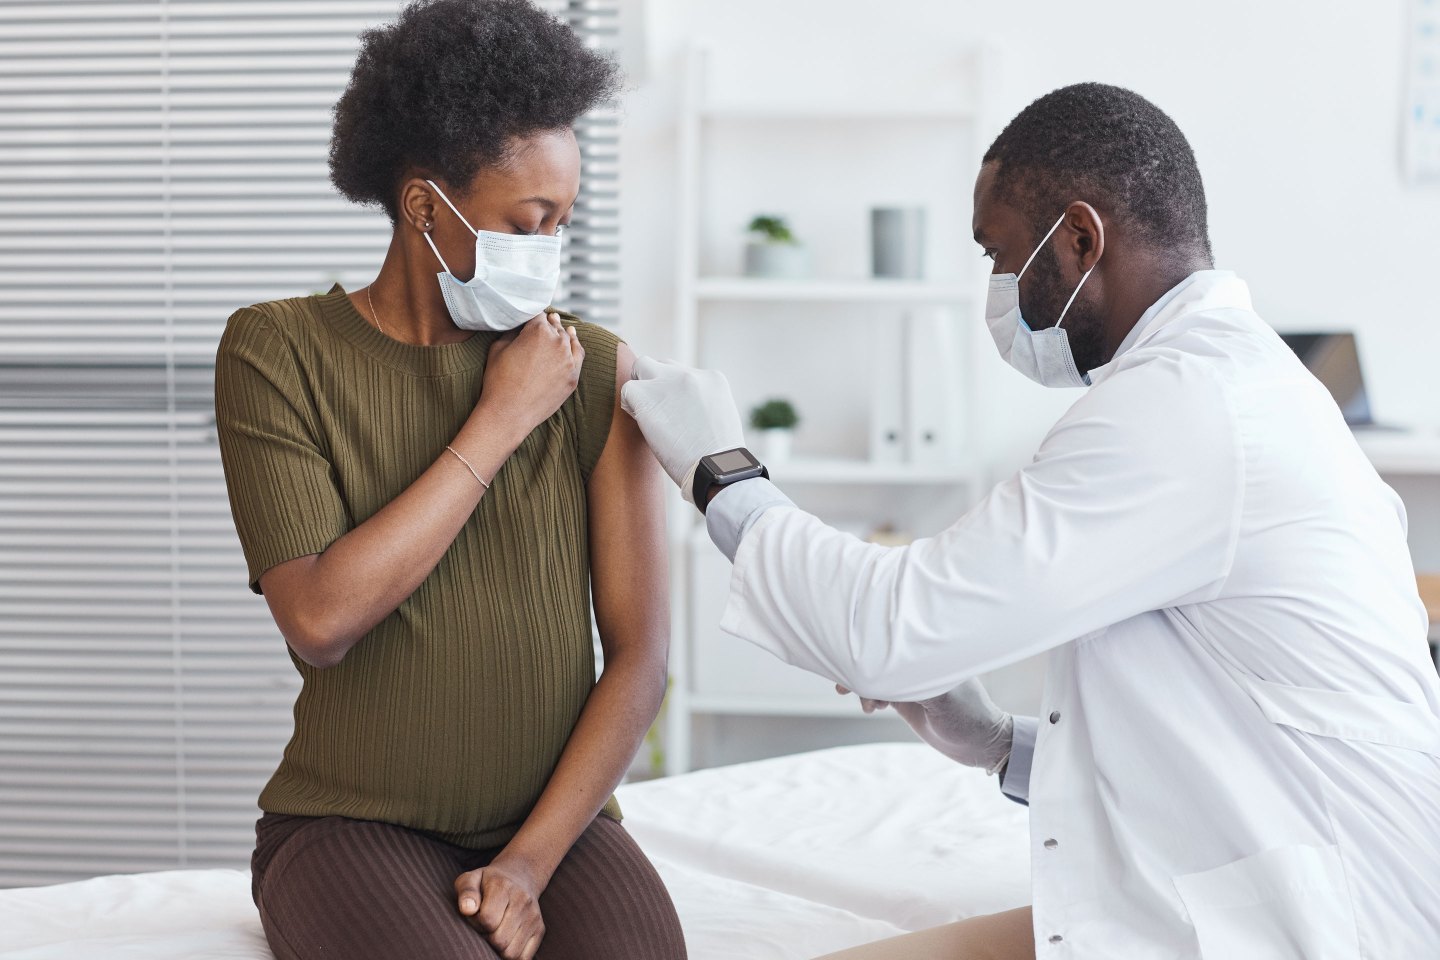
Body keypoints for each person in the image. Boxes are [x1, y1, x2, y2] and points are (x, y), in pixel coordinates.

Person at [622, 83, 1440, 959]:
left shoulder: (1183, 408)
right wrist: (994, 743)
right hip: (1271, 880)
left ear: (1082, 238)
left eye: (1001, 254)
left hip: (1319, 924)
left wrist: (722, 472)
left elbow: (887, 626)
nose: (998, 288)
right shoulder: (1235, 385)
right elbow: (1221, 751)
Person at [214, 2, 685, 958]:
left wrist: (530, 863)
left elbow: (640, 657)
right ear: (426, 205)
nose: (550, 249)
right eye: (531, 219)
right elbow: (320, 620)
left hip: (552, 825)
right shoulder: (278, 351)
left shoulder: (595, 368)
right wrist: (501, 419)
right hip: (348, 824)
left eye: (564, 219)